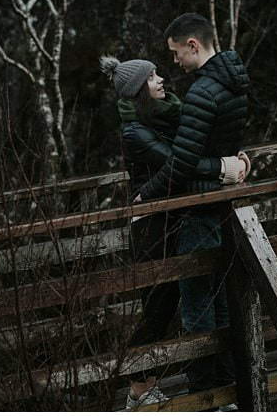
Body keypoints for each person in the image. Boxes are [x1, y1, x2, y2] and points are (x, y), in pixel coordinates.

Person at [99, 54, 248, 409]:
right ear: (139, 90)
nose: (161, 79)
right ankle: (138, 388)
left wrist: (233, 155)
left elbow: (197, 142)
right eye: (152, 77)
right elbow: (178, 162)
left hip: (175, 218)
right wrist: (224, 167)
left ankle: (196, 382)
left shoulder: (165, 115)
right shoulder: (135, 132)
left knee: (182, 300)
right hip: (152, 226)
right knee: (158, 307)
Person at [132, 12, 251, 399]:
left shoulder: (203, 91)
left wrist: (146, 194)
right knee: (220, 298)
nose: (175, 62)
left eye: (176, 52)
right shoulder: (235, 82)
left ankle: (207, 392)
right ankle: (228, 386)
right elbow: (222, 145)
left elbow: (181, 162)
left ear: (193, 45)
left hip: (199, 208)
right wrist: (229, 166)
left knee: (198, 304)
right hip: (222, 201)